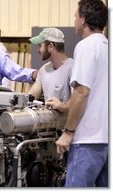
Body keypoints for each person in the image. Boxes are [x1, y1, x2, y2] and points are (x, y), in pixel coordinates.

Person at [56, 0, 108, 187]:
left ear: (84, 20)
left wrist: (69, 133)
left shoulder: (86, 47)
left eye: (76, 16)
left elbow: (82, 92)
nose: (74, 20)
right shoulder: (107, 47)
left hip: (88, 141)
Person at [28, 28, 74, 112]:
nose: (38, 50)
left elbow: (79, 100)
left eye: (40, 46)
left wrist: (62, 106)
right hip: (50, 124)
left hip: (68, 125)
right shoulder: (44, 70)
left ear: (51, 46)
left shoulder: (73, 68)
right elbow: (31, 96)